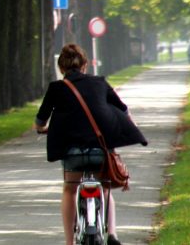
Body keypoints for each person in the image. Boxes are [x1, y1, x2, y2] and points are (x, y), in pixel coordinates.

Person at [34, 44, 147, 245]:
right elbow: (122, 109)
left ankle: (69, 242)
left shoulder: (56, 88)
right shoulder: (100, 83)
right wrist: (132, 125)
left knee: (70, 189)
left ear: (61, 68)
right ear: (85, 65)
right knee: (105, 186)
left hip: (73, 153)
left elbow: (41, 120)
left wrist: (42, 128)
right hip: (100, 152)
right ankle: (112, 234)